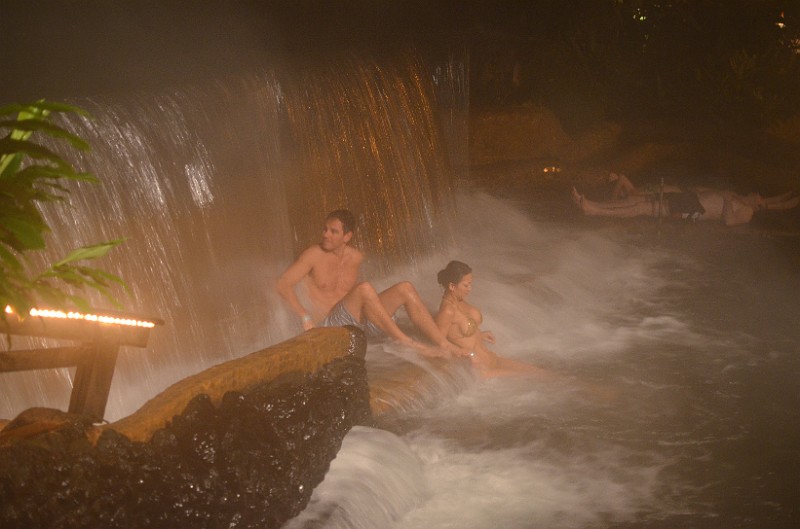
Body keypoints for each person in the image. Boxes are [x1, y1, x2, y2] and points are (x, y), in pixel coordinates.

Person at [276, 209, 466, 358]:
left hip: (358, 325)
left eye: (333, 231)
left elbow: (354, 297)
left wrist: (381, 310)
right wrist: (304, 315)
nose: (326, 234)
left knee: (405, 288)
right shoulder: (313, 255)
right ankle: (407, 343)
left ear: (347, 236)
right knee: (365, 289)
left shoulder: (356, 257)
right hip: (331, 327)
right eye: (325, 229)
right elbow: (283, 284)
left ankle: (443, 343)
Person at [435, 260, 554, 379]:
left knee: (545, 375)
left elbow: (460, 332)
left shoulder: (459, 300)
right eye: (466, 285)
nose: (470, 289)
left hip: (493, 359)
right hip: (483, 372)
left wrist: (479, 334)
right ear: (452, 286)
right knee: (537, 379)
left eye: (471, 284)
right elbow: (440, 345)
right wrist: (469, 355)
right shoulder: (447, 311)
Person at [571, 182, 799, 226]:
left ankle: (592, 210)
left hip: (692, 210)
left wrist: (728, 199)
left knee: (642, 208)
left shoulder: (747, 211)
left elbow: (728, 221)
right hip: (689, 198)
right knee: (637, 200)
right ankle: (591, 203)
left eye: (760, 197)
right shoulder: (740, 197)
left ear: (758, 206)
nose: (757, 193)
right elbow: (707, 192)